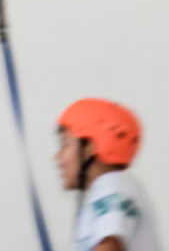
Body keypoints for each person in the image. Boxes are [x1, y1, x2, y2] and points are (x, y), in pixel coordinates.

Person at [55, 98, 161, 251]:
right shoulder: (108, 189)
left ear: (90, 147)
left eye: (64, 144)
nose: (58, 157)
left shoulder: (112, 186)